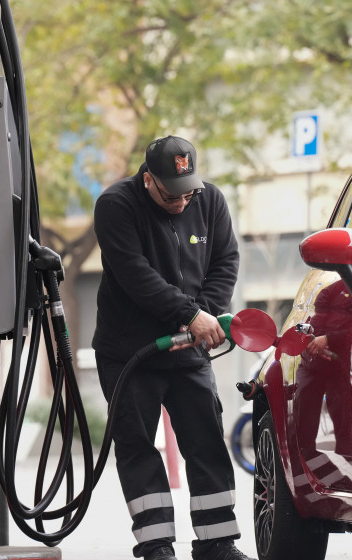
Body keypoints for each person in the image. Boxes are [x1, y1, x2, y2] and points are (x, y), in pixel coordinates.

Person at [92, 136, 253, 560]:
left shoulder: (210, 200)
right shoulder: (116, 206)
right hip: (131, 352)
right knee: (138, 446)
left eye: (190, 191)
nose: (183, 201)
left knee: (206, 441)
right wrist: (188, 315)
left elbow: (225, 261)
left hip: (188, 351)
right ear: (149, 180)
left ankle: (217, 542)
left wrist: (208, 317)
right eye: (171, 194)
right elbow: (134, 274)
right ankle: (156, 545)